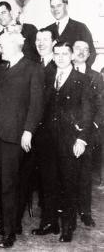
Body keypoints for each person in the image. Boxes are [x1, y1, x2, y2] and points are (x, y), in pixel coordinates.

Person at [0, 31, 44, 248]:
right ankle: (12, 223)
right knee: (0, 182)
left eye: (1, 46)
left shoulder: (33, 68)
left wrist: (28, 131)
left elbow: (36, 104)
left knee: (8, 184)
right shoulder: (0, 69)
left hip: (14, 136)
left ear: (16, 44)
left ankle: (9, 233)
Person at [32, 42, 91, 243]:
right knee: (48, 183)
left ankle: (67, 227)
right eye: (56, 53)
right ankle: (49, 223)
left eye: (65, 53)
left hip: (69, 141)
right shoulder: (47, 77)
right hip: (46, 141)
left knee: (68, 183)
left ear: (73, 55)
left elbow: (87, 113)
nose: (60, 57)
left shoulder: (82, 80)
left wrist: (82, 139)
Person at [72, 40, 103, 227]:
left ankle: (85, 211)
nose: (82, 52)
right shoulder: (62, 72)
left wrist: (90, 126)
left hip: (88, 133)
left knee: (84, 174)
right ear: (71, 52)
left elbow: (101, 106)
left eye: (86, 49)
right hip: (66, 132)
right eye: (78, 49)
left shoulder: (95, 77)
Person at [44, 0, 96, 65]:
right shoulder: (47, 30)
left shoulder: (80, 27)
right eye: (52, 7)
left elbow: (91, 53)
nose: (55, 9)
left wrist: (81, 73)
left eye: (59, 6)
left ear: (67, 7)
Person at [0, 1, 39, 65]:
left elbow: (40, 53)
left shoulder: (29, 29)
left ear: (11, 13)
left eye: (3, 13)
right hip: (10, 74)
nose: (0, 17)